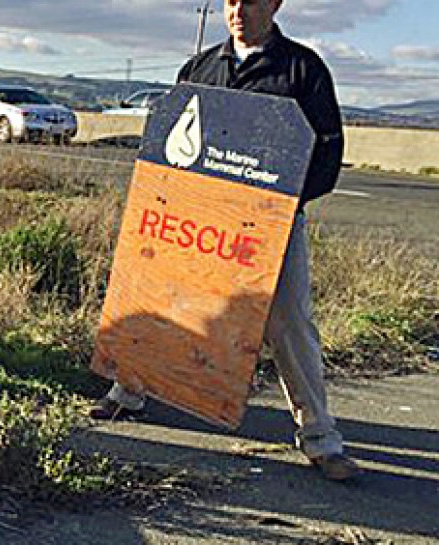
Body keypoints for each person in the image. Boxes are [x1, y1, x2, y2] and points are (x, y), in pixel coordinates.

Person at [89, 0, 359, 482]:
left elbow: (327, 156)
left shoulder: (303, 69)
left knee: (289, 319)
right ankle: (128, 392)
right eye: (230, 1)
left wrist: (280, 209)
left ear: (274, 5)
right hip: (195, 222)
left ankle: (321, 437)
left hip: (270, 229)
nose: (237, 11)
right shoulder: (199, 67)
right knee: (164, 300)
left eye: (250, 2)